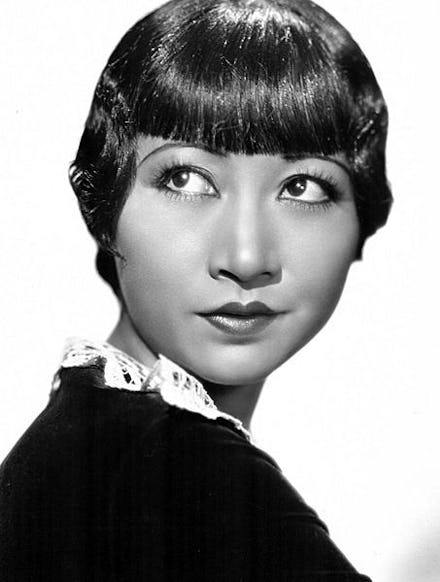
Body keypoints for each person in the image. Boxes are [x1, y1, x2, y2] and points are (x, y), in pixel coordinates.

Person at [0, 0, 392, 579]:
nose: (247, 258)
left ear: (363, 217)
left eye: (303, 187)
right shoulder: (186, 473)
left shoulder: (82, 441)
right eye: (186, 179)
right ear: (103, 207)